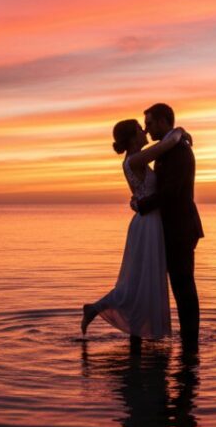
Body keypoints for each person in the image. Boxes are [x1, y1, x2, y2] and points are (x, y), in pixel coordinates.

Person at [80, 118, 189, 340]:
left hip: (148, 222)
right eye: (140, 129)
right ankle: (96, 309)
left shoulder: (136, 159)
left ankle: (135, 332)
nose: (145, 130)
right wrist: (179, 130)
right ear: (132, 137)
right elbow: (167, 144)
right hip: (147, 224)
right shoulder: (136, 159)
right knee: (137, 280)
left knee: (141, 280)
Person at [134, 103, 203, 349]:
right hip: (169, 228)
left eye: (150, 123)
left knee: (184, 286)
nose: (147, 129)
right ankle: (185, 340)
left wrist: (142, 205)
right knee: (177, 285)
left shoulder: (179, 152)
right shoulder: (168, 149)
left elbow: (170, 192)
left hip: (180, 228)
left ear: (164, 122)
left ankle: (191, 343)